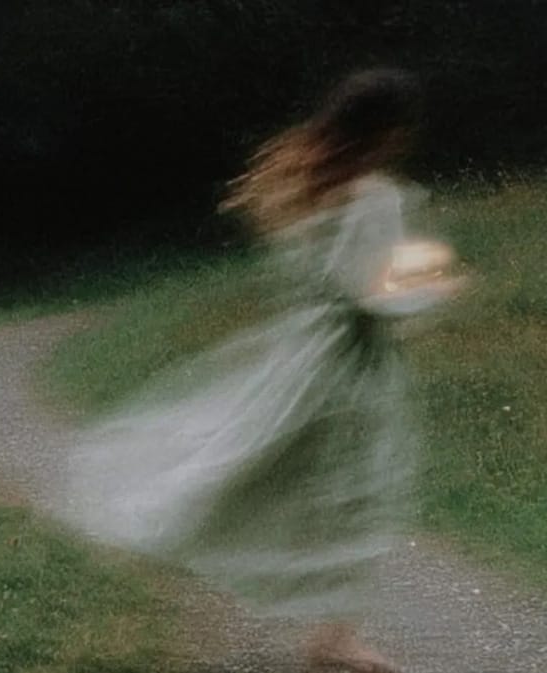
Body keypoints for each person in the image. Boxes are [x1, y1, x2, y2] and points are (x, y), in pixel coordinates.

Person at [64, 68, 460, 673]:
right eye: (402, 129)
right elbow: (373, 295)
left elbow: (326, 282)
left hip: (300, 355)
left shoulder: (306, 185)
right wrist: (435, 283)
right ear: (388, 131)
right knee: (355, 491)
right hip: (348, 369)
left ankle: (326, 631)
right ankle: (334, 639)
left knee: (270, 468)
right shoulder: (374, 198)